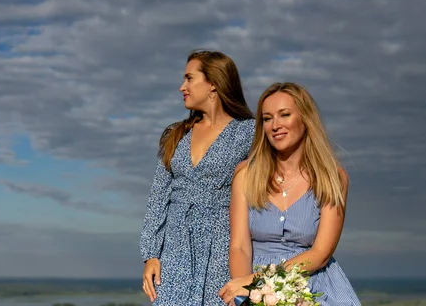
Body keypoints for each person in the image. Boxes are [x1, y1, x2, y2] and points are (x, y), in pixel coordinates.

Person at [219, 82, 361, 306]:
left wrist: (259, 281)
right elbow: (239, 246)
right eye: (267, 118)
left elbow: (320, 253)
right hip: (251, 286)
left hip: (312, 285)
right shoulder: (246, 174)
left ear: (305, 118)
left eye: (284, 115)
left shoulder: (333, 177)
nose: (275, 125)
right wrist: (244, 293)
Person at [140, 50, 256, 305]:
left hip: (224, 247)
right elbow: (158, 196)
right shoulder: (175, 134)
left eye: (189, 78)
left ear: (213, 82)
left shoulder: (249, 132)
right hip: (175, 249)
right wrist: (151, 255)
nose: (183, 86)